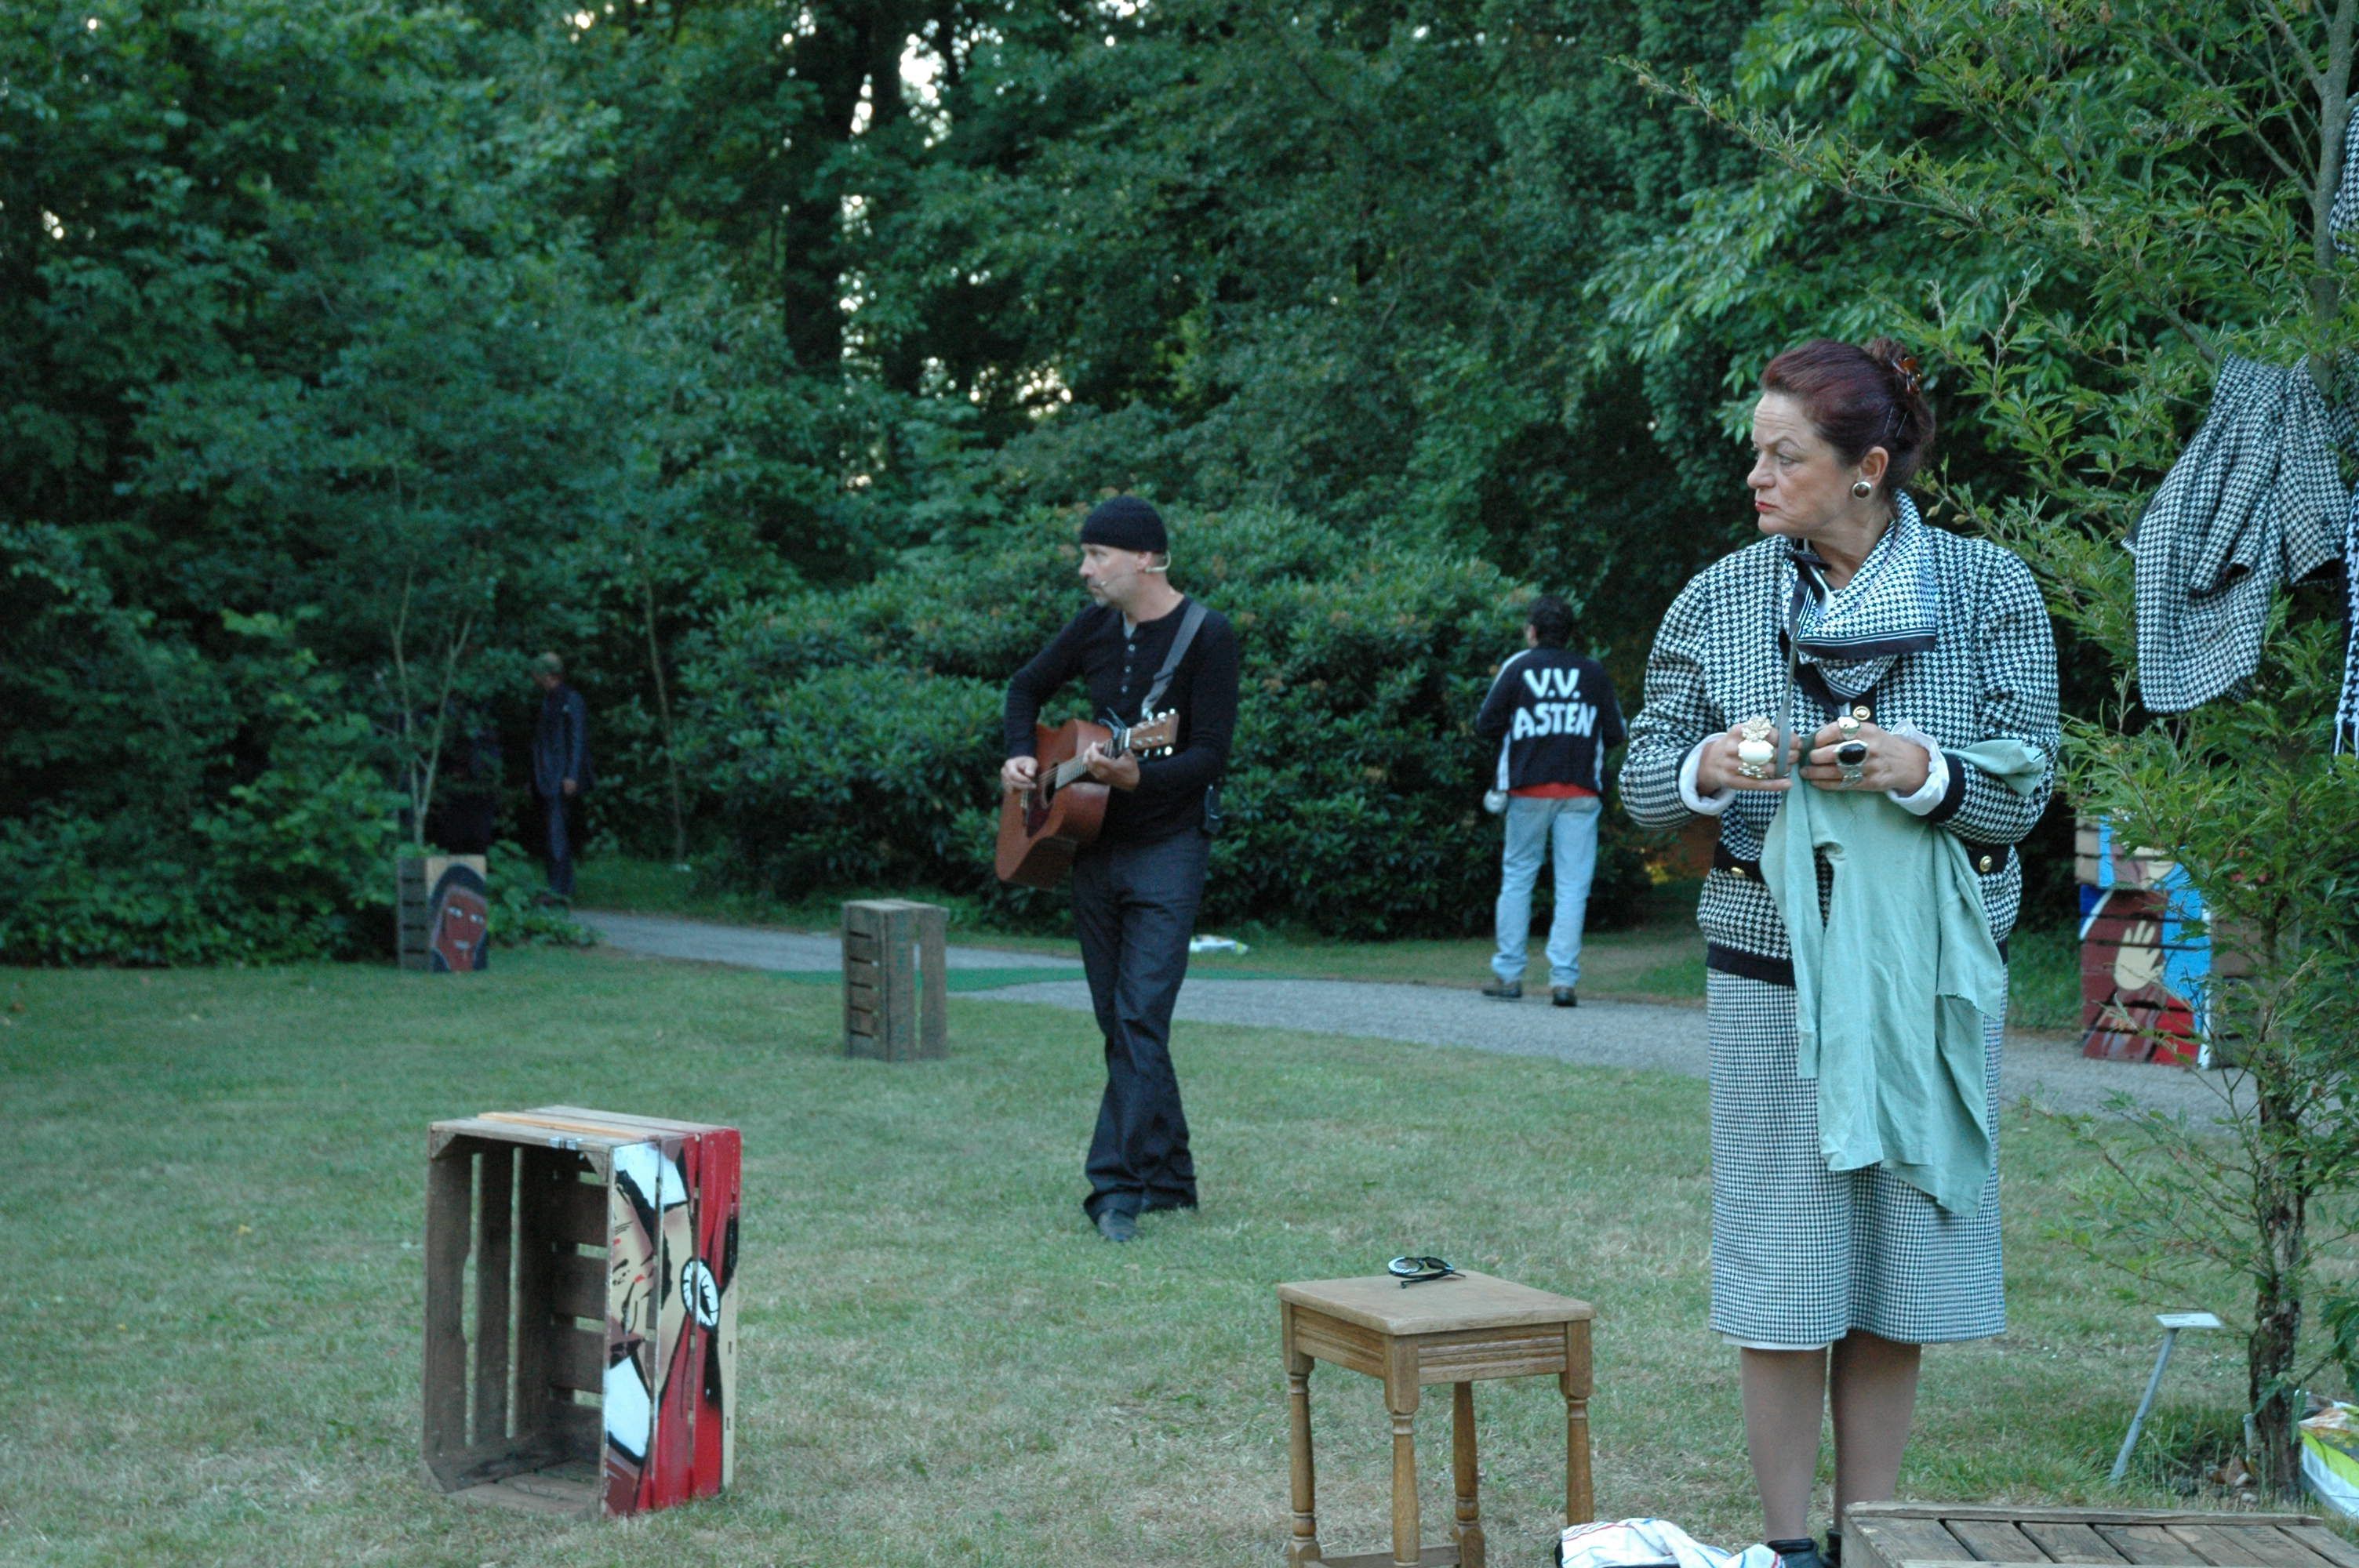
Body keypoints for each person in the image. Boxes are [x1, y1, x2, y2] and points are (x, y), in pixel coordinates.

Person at [1617, 339, 2058, 1568]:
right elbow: (1645, 775)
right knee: (1786, 1259)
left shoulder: (1990, 592)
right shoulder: (1717, 598)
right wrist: (1712, 766)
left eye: (1783, 456)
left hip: (1930, 971)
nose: (1756, 477)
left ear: (1868, 469)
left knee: (1895, 1261)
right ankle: (1785, 1549)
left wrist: (1928, 770)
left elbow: (2026, 793)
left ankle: (1870, 1538)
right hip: (1773, 968)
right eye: (1756, 453)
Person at [1001, 497, 1241, 1244]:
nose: (1084, 569)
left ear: (1146, 558)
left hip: (1170, 850)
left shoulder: (1209, 636)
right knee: (1120, 1021)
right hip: (1093, 845)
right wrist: (1019, 753)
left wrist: (1143, 779)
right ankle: (1173, 1179)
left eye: (1097, 555)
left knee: (1141, 1016)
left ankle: (1116, 1189)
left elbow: (1207, 756)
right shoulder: (1096, 628)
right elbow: (1024, 689)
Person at [1474, 593, 1625, 1007]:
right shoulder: (1592, 672)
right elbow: (1615, 733)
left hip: (1526, 789)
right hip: (1580, 790)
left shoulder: (1518, 667)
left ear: (1533, 632)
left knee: (1519, 877)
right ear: (1570, 633)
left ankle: (1508, 975)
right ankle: (1563, 982)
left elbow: (1486, 723)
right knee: (1573, 887)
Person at [530, 653, 591, 902]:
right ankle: (559, 885)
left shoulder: (570, 699)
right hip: (547, 776)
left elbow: (578, 739)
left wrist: (572, 775)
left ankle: (559, 889)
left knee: (557, 832)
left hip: (561, 777)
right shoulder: (548, 700)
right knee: (552, 832)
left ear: (548, 675)